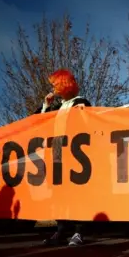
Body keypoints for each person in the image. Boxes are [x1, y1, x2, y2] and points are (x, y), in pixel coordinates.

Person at [38, 69, 92, 247]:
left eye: (55, 84)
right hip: (57, 154)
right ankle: (61, 231)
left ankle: (79, 232)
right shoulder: (54, 106)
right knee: (59, 194)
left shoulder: (81, 102)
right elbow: (35, 122)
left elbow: (86, 125)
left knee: (78, 193)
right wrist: (45, 106)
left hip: (76, 155)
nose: (53, 88)